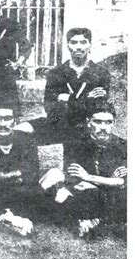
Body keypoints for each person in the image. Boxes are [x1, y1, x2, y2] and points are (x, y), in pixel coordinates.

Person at [39, 99, 126, 237]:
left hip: (109, 195)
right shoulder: (78, 143)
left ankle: (89, 221)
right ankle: (89, 221)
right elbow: (74, 175)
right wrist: (106, 180)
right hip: (87, 191)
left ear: (113, 123)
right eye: (97, 121)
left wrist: (88, 177)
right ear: (88, 122)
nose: (103, 127)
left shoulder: (122, 145)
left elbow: (122, 181)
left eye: (108, 122)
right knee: (55, 179)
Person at [28, 27, 111, 145]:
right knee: (22, 129)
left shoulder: (100, 73)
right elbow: (50, 107)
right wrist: (86, 99)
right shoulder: (56, 72)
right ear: (67, 45)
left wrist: (67, 99)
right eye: (73, 42)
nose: (78, 47)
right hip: (60, 124)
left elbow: (98, 108)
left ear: (90, 45)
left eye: (83, 42)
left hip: (86, 127)